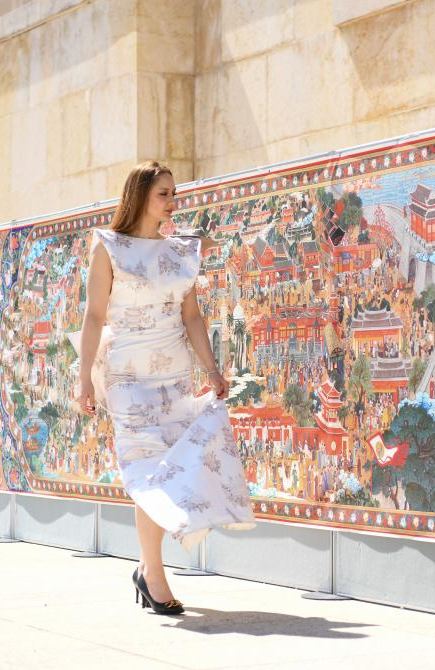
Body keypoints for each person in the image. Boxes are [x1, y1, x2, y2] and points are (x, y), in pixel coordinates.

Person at [74, 161, 255, 615]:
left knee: (164, 471)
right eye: (164, 194)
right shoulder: (108, 246)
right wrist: (84, 381)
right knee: (145, 469)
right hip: (127, 378)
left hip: (174, 378)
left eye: (175, 194)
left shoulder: (181, 252)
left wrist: (212, 371)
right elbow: (94, 316)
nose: (173, 202)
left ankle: (146, 569)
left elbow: (192, 317)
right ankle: (154, 574)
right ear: (139, 196)